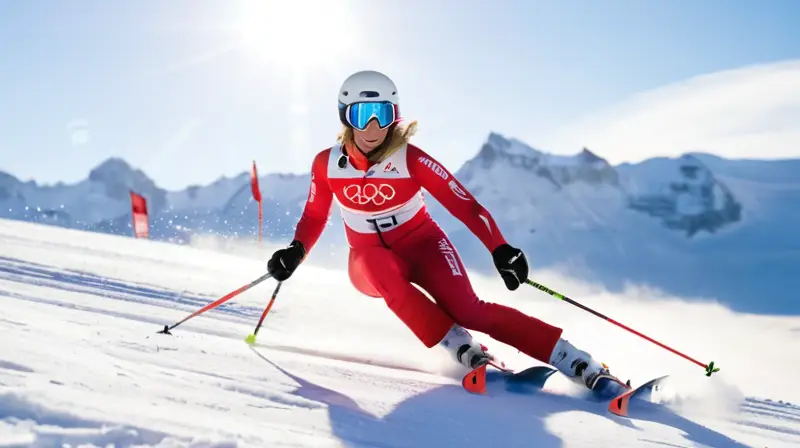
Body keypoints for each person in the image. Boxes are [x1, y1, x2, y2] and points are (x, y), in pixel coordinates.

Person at [267, 70, 623, 393]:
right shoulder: (327, 164)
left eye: (384, 115)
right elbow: (314, 216)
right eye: (362, 115)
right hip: (367, 260)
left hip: (423, 244)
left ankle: (576, 361)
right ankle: (462, 348)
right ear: (347, 117)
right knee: (378, 266)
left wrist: (500, 248)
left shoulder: (411, 159)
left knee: (470, 310)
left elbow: (465, 205)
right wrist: (295, 251)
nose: (374, 127)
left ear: (395, 117)